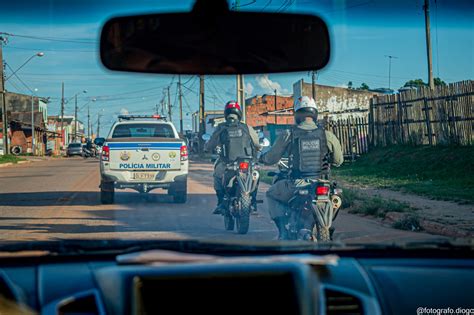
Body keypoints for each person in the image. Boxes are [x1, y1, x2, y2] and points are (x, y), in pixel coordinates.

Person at [259, 96, 343, 240]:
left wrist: (262, 158)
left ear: (297, 115)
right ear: (314, 113)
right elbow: (338, 160)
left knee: (271, 194)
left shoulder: (289, 134)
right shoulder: (327, 135)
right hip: (322, 184)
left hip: (297, 184)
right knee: (336, 197)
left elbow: (272, 158)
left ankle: (282, 231)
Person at [205, 101, 261, 214]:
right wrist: (258, 149)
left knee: (217, 175)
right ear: (239, 113)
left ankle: (221, 202)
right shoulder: (247, 127)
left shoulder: (221, 128)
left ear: (226, 114)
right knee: (256, 175)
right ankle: (253, 201)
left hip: (227, 163)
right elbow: (257, 144)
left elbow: (210, 144)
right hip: (246, 162)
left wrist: (207, 148)